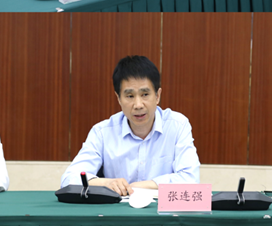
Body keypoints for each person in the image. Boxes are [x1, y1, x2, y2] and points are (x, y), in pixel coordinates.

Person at [61, 56, 200, 195]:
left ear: (157, 96)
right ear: (119, 99)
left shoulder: (177, 125)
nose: (138, 105)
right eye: (130, 96)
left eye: (145, 94)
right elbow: (68, 180)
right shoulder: (102, 132)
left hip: (160, 208)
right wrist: (107, 183)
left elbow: (191, 180)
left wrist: (138, 187)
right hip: (117, 208)